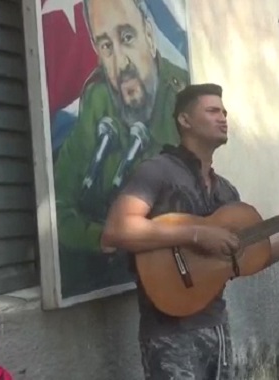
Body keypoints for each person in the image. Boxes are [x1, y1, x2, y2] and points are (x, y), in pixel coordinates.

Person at [101, 83, 279, 380]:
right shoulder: (157, 171)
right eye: (213, 111)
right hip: (168, 333)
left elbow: (258, 256)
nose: (223, 117)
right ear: (185, 120)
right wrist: (195, 235)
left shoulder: (226, 193)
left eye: (224, 112)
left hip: (216, 325)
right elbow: (116, 230)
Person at [53, 0, 189, 296]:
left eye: (127, 38)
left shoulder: (184, 99)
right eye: (105, 46)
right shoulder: (98, 102)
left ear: (150, 36)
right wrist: (102, 237)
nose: (121, 63)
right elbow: (57, 207)